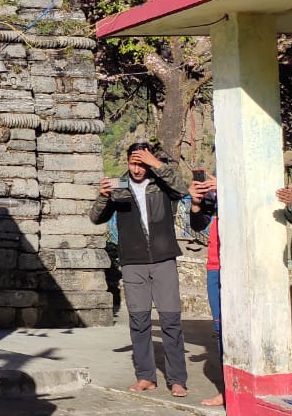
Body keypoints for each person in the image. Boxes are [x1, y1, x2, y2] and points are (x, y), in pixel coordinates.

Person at [89, 142, 190, 397]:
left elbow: (182, 189)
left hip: (164, 258)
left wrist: (156, 164)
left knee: (170, 321)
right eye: (133, 163)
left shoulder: (161, 183)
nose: (137, 169)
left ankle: (177, 379)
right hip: (133, 263)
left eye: (142, 163)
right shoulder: (118, 188)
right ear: (127, 162)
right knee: (139, 321)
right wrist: (103, 196)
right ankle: (146, 376)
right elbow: (96, 218)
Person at [188, 173, 222, 407]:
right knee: (220, 329)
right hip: (214, 266)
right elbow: (198, 224)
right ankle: (227, 387)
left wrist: (226, 188)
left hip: (238, 265)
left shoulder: (243, 183)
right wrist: (196, 203)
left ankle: (235, 386)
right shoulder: (213, 191)